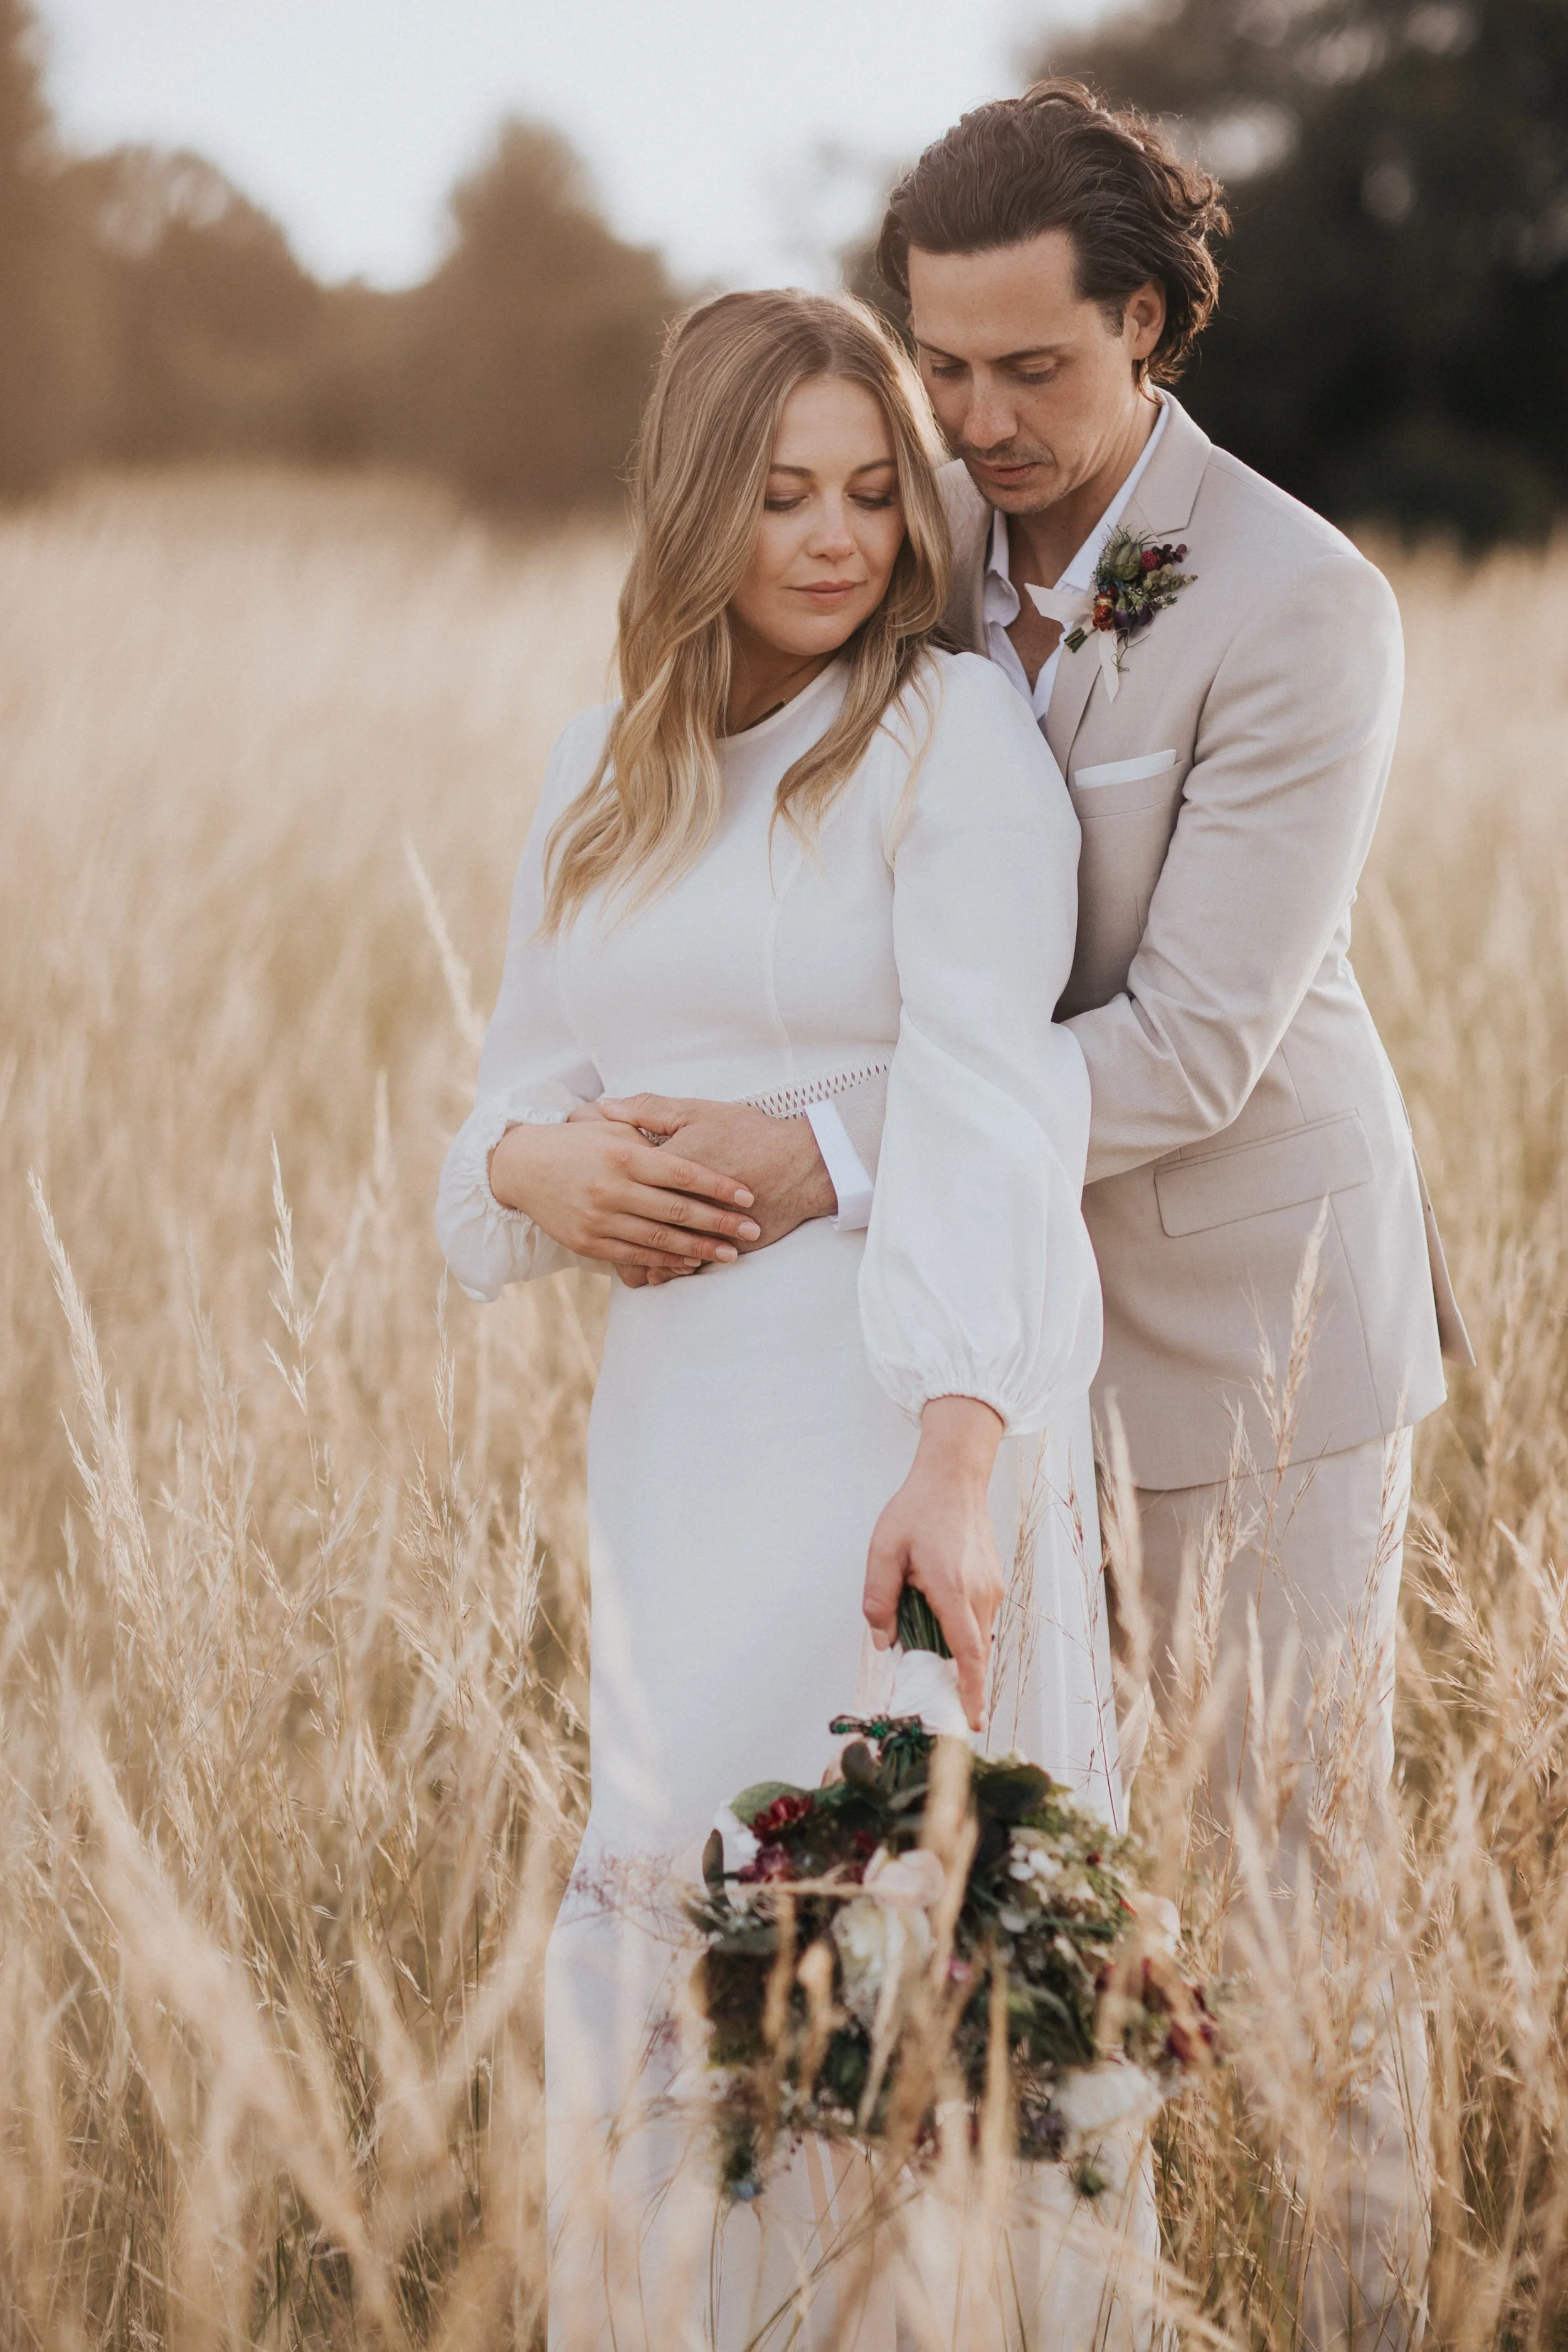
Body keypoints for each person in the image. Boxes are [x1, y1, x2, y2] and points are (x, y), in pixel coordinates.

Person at [607, 84, 1471, 2352]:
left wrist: (826, 1147)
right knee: (1019, 1874)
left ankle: (1369, 2311)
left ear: (1152, 328)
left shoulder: (1296, 604)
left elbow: (1188, 1046)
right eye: (941, 365)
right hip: (966, 1349)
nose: (974, 422)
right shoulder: (910, 547)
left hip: (1245, 1321)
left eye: (1031, 370)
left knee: (1290, 1884)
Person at [437, 288, 1129, 2349]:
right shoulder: (600, 770)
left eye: (868, 492)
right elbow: (503, 1099)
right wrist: (531, 1171)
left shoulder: (943, 734)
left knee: (893, 1926)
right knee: (676, 1894)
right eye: (780, 496)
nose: (835, 539)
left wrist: (957, 1452)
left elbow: (1000, 1091)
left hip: (892, 1417)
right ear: (693, 508)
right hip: (676, 1440)